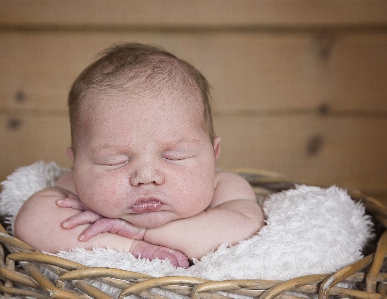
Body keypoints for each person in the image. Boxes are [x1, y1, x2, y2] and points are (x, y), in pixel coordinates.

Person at [14, 43, 264, 268]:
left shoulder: (224, 187)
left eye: (174, 156)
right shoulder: (78, 186)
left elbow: (244, 227)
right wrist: (131, 247)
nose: (146, 177)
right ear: (76, 163)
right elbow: (32, 223)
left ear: (213, 154)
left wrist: (139, 232)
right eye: (113, 161)